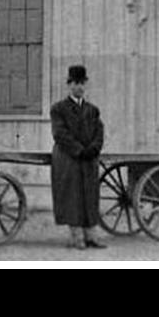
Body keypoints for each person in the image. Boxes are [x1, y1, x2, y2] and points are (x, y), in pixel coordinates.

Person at [50, 65, 106, 249]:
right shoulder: (58, 109)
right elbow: (60, 134)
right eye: (76, 83)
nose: (79, 87)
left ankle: (91, 235)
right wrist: (79, 150)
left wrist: (94, 149)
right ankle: (77, 237)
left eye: (82, 84)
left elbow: (99, 131)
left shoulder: (92, 110)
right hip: (69, 158)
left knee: (89, 195)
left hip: (89, 158)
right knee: (71, 195)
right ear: (69, 85)